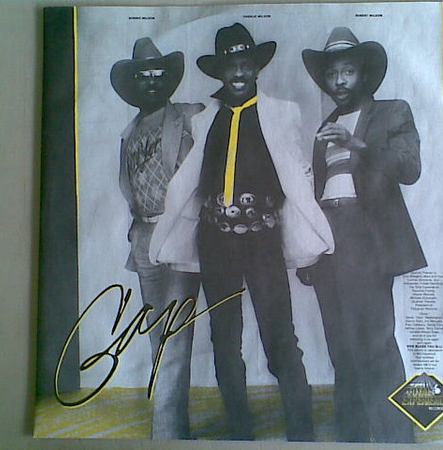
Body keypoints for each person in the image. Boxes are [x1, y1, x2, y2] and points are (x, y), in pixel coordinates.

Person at [149, 23, 334, 441]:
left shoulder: (282, 112)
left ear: (256, 68)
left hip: (262, 239)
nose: (238, 72)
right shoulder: (205, 119)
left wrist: (309, 229)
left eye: (245, 64)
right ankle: (240, 433)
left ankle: (301, 433)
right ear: (219, 72)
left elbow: (296, 174)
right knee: (224, 340)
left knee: (280, 337)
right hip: (215, 241)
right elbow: (191, 180)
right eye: (230, 65)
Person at [299, 27, 427, 443]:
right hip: (328, 238)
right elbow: (318, 190)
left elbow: (409, 168)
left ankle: (396, 439)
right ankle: (351, 437)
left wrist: (358, 144)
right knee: (340, 347)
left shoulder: (391, 112)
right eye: (332, 73)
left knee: (375, 344)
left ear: (364, 74)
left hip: (365, 237)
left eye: (348, 71)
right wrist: (308, 246)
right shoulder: (326, 125)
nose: (339, 81)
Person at [110, 37, 204, 439]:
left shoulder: (188, 116)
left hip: (180, 233)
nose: (151, 81)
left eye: (157, 74)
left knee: (175, 336)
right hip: (144, 236)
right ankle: (174, 429)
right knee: (157, 336)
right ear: (134, 84)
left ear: (167, 81)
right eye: (143, 76)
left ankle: (165, 435)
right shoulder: (130, 132)